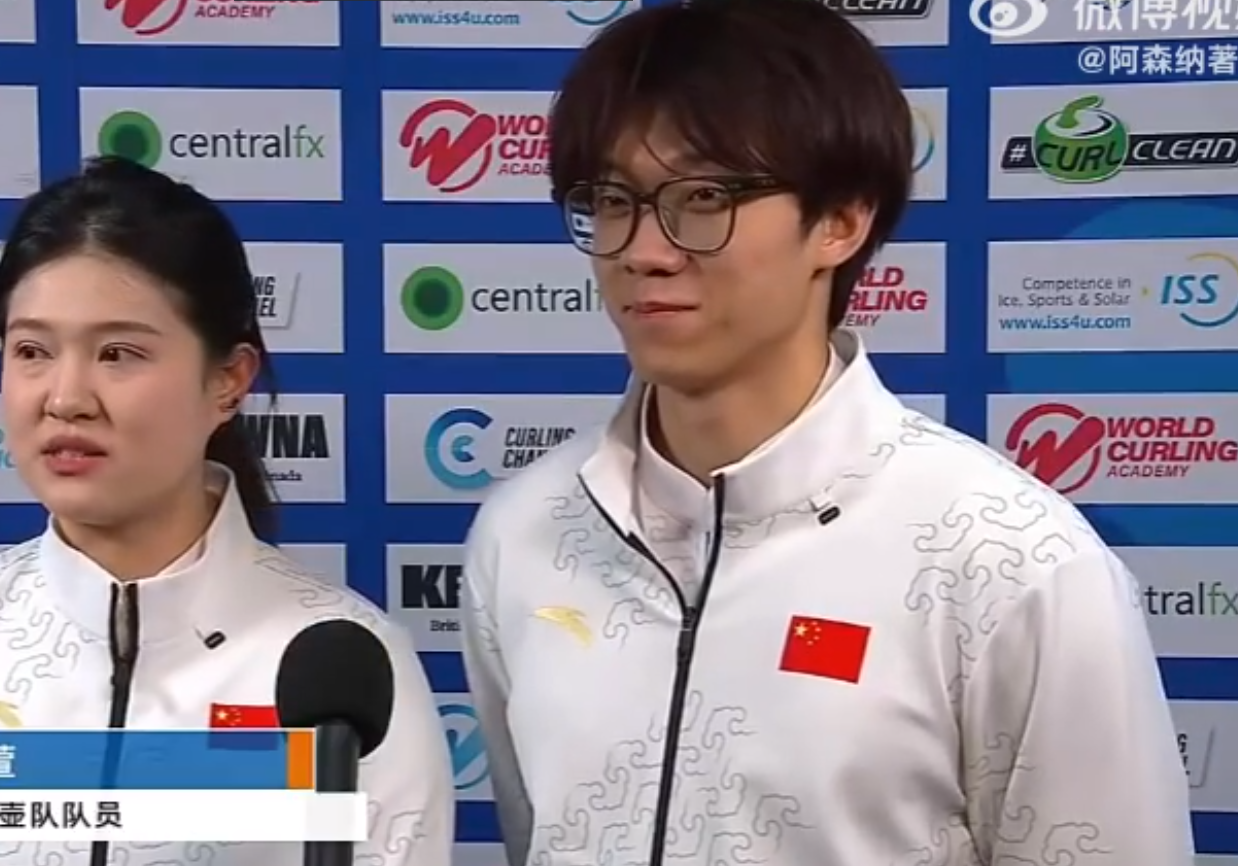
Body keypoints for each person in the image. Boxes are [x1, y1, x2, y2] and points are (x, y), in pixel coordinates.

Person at [458, 1, 1194, 865]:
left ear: (841, 220)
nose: (643, 250)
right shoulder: (523, 531)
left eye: (704, 198)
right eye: (612, 200)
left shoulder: (1010, 560)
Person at [0, 156, 454, 866]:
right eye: (31, 350)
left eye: (118, 353)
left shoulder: (346, 668)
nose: (66, 398)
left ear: (228, 380)